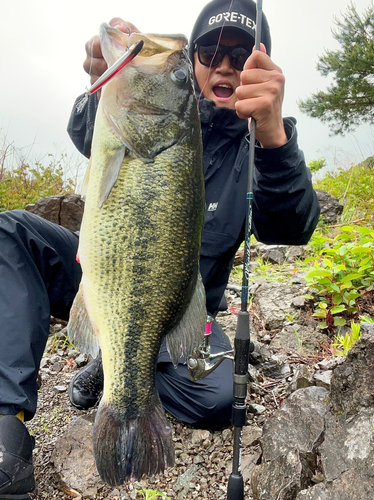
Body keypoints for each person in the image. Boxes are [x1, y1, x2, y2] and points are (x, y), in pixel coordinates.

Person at [0, 0, 319, 497]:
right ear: (193, 61)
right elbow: (86, 132)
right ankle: (8, 424)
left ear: (260, 67)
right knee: (13, 231)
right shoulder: (147, 110)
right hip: (101, 273)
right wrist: (107, 79)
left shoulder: (258, 146)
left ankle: (120, 365)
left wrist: (275, 138)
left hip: (176, 313)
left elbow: (292, 227)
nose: (225, 64)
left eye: (240, 54)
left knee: (218, 399)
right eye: (210, 51)